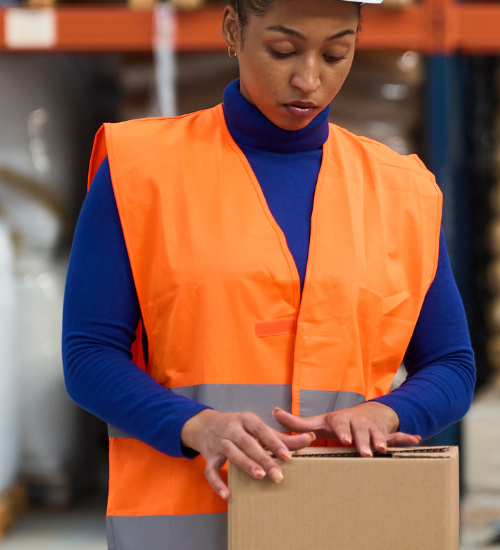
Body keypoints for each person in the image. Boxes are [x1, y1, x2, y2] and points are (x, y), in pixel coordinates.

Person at [60, 0, 475, 546]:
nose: (309, 79)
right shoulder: (141, 170)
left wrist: (390, 413)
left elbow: (452, 365)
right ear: (233, 30)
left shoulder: (402, 191)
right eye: (283, 51)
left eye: (336, 54)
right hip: (187, 527)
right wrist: (194, 426)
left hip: (340, 523)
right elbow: (88, 355)